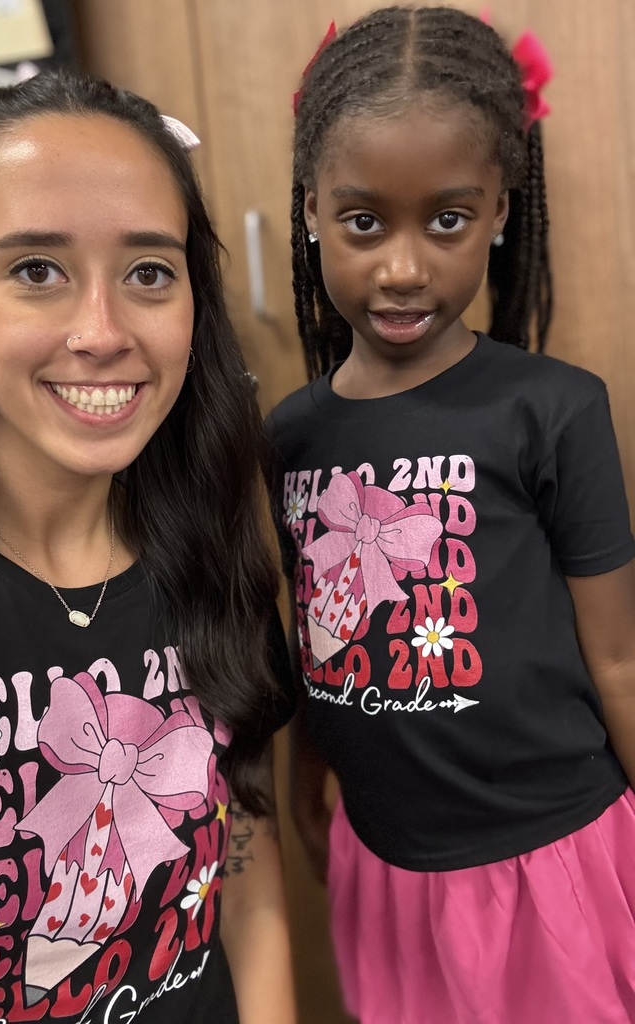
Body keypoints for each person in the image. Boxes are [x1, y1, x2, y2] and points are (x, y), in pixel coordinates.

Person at [0, 71, 297, 1024]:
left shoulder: (213, 556)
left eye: (149, 272)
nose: (103, 334)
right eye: (36, 270)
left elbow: (246, 877)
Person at [267, 7, 635, 1024]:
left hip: (553, 855)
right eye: (363, 221)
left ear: (501, 212)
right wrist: (310, 764)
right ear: (309, 211)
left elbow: (619, 659)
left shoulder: (555, 408)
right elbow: (319, 626)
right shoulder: (290, 434)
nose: (401, 267)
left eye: (446, 219)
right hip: (387, 862)